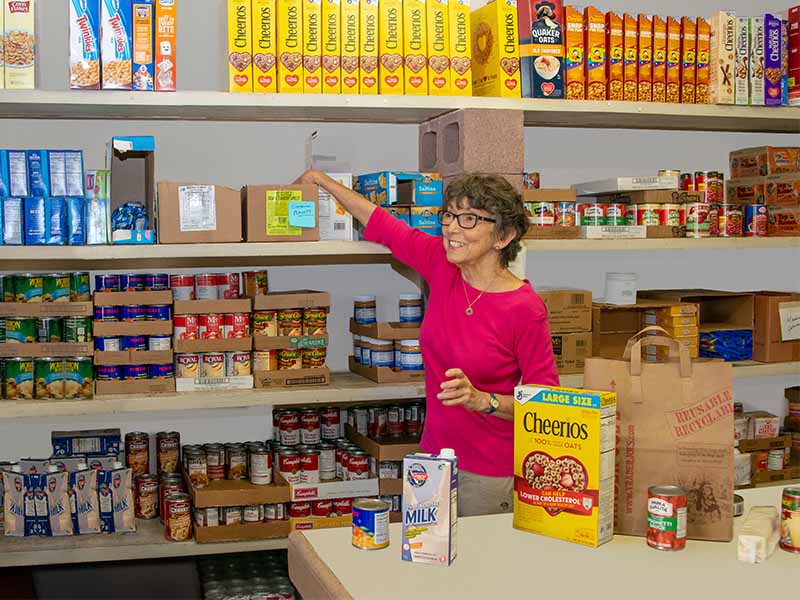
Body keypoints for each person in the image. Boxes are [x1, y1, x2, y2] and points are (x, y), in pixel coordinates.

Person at [300, 171, 559, 516]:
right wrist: (322, 180)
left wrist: (484, 400)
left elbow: (548, 402)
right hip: (432, 458)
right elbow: (383, 223)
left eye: (469, 219)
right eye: (449, 215)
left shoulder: (524, 308)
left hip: (487, 472)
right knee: (427, 561)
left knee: (479, 567)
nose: (452, 228)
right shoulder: (442, 264)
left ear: (504, 236)